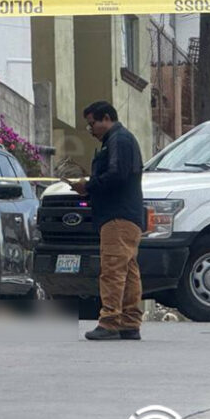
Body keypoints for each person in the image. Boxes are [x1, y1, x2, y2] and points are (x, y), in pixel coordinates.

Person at [68, 101, 145, 341]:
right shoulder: (120, 140)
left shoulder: (118, 140)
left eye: (92, 123)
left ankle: (110, 320)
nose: (91, 129)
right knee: (128, 270)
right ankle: (130, 322)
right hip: (128, 215)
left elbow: (116, 176)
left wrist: (87, 186)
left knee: (112, 269)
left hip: (117, 216)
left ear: (106, 119)